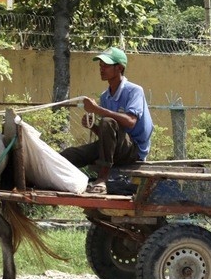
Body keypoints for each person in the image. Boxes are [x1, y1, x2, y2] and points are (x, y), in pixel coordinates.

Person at [60, 47, 154, 194]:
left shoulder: (134, 90)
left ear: (120, 68)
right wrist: (92, 126)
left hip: (134, 150)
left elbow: (130, 121)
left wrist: (97, 110)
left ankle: (102, 179)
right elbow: (107, 136)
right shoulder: (105, 96)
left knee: (108, 121)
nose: (102, 69)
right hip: (115, 148)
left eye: (106, 66)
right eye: (100, 66)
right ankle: (57, 180)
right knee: (70, 154)